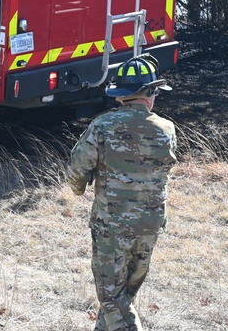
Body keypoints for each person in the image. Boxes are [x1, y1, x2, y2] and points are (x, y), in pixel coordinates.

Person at [66, 54, 177, 331]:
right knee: (123, 296)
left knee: (113, 300)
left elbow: (77, 170)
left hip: (111, 226)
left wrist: (80, 189)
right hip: (150, 225)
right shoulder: (167, 130)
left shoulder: (103, 127)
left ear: (121, 95)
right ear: (149, 92)